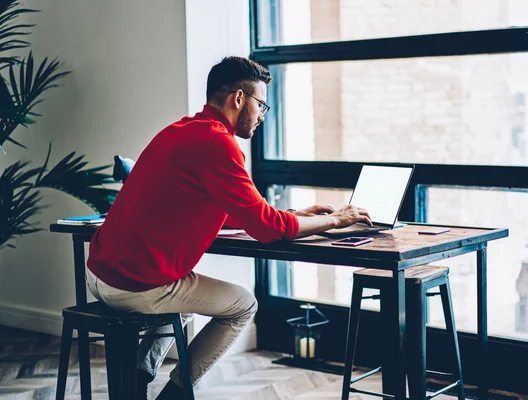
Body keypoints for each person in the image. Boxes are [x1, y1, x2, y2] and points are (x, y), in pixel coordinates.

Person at [86, 56, 372, 399]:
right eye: (261, 105)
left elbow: (237, 212)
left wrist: (295, 213)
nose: (263, 116)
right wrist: (336, 219)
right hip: (136, 285)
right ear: (239, 99)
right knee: (243, 306)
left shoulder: (179, 130)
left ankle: (136, 379)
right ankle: (175, 393)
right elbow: (266, 228)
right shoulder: (218, 143)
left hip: (99, 273)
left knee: (187, 294)